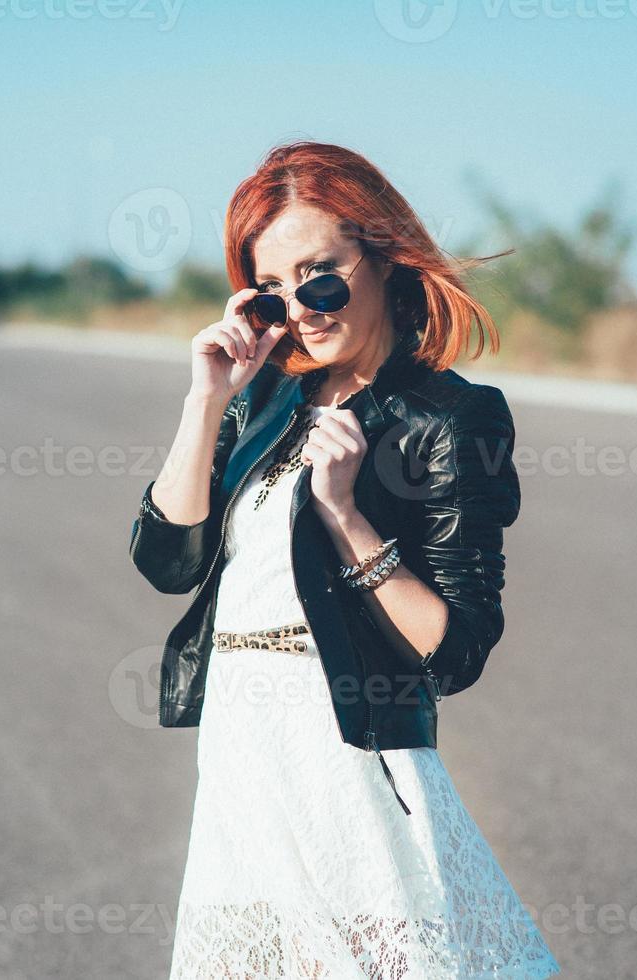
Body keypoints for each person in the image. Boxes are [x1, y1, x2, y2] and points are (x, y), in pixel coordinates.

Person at [128, 140, 561, 979]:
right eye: (275, 292)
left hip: (345, 751)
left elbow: (457, 647)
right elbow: (167, 560)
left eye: (321, 276)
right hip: (241, 747)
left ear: (384, 257)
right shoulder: (264, 396)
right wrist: (206, 398)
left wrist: (347, 519)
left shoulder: (448, 419)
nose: (304, 309)